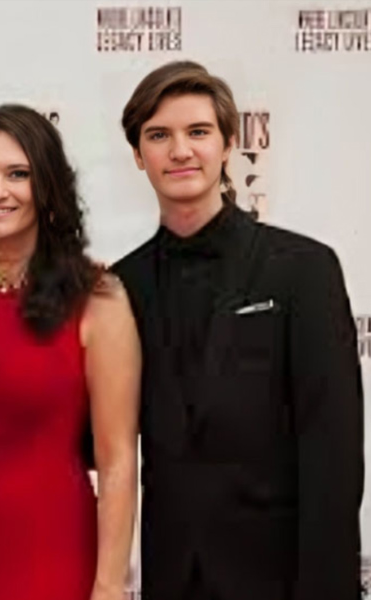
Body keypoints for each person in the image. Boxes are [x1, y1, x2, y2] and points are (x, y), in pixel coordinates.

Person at [113, 61, 363, 600]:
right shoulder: (120, 286)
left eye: (198, 132)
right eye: (159, 135)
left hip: (279, 579)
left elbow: (334, 453)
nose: (180, 150)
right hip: (171, 577)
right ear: (137, 154)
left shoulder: (302, 268)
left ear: (228, 144)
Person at [0, 105, 140, 600]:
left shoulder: (98, 297)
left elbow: (117, 460)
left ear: (47, 185)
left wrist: (109, 586)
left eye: (17, 174)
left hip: (53, 556)